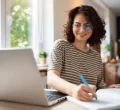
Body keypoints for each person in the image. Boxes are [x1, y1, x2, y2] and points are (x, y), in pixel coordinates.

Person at [47, 5, 106, 102]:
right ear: (71, 26)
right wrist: (73, 90)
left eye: (87, 25)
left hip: (89, 105)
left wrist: (109, 89)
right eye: (77, 25)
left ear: (94, 28)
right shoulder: (61, 46)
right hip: (61, 103)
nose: (82, 30)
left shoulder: (96, 57)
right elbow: (51, 78)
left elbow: (99, 88)